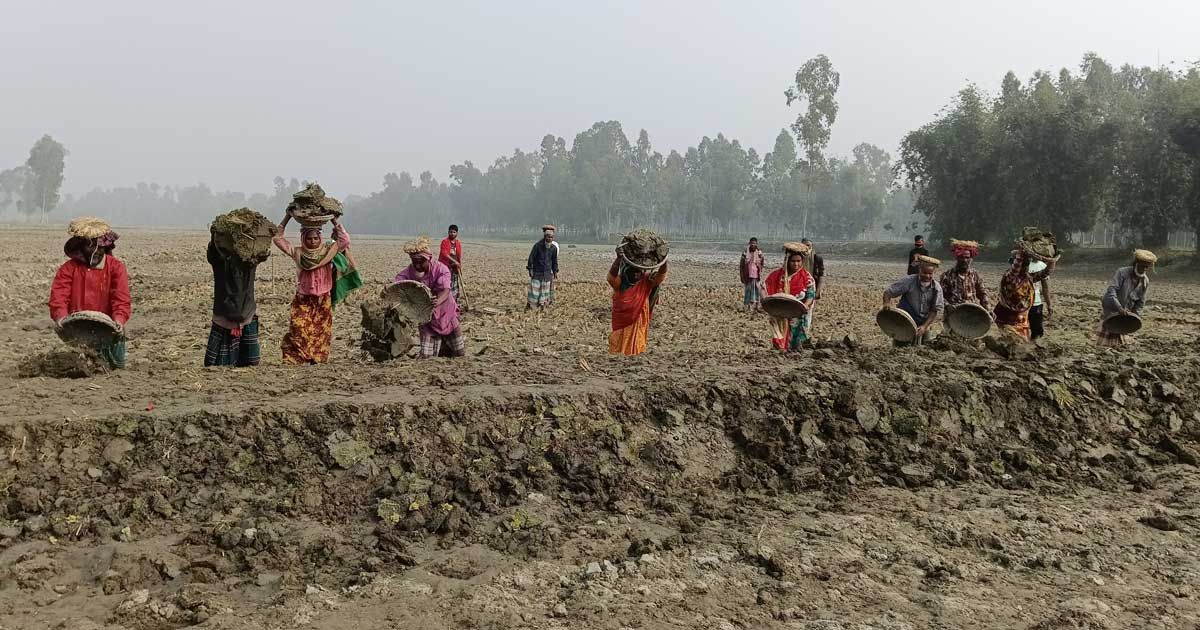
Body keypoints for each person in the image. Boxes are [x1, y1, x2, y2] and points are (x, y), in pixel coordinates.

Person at [48, 217, 131, 369]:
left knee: (115, 369)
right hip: (78, 328)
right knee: (78, 366)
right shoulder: (68, 269)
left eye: (100, 248)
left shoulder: (116, 268)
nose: (96, 252)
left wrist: (119, 320)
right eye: (91, 248)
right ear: (81, 248)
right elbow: (59, 297)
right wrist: (60, 316)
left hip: (109, 328)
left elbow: (121, 299)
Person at [273, 213, 355, 364]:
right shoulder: (297, 252)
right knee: (298, 328)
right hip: (303, 297)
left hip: (323, 298)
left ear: (320, 238)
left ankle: (316, 359)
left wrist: (334, 220)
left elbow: (345, 240)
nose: (312, 241)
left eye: (315, 238)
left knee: (321, 331)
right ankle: (298, 357)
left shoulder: (328, 251)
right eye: (309, 238)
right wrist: (287, 217)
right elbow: (277, 238)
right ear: (303, 239)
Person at [396, 236, 464, 358]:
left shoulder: (441, 269)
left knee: (459, 354)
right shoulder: (409, 271)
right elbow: (397, 284)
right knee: (426, 358)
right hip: (426, 319)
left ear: (429, 258)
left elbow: (445, 290)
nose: (417, 265)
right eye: (414, 262)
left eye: (420, 261)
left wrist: (437, 301)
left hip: (446, 314)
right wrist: (388, 289)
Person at [204, 233, 266, 367]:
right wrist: (216, 236)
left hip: (246, 312)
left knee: (250, 362)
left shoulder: (249, 261)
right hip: (224, 314)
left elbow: (262, 251)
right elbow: (213, 251)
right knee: (218, 364)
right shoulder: (220, 261)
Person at [608, 253, 668, 356]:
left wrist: (663, 260)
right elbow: (611, 277)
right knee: (617, 349)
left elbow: (660, 276)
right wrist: (618, 259)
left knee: (637, 348)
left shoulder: (646, 281)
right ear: (626, 271)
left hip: (638, 322)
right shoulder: (620, 283)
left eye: (639, 272)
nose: (636, 275)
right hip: (621, 324)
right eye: (633, 272)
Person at [992, 247, 1055, 340]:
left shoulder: (1027, 277)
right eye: (1024, 264)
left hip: (1020, 316)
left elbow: (1045, 273)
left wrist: (1052, 259)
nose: (1026, 267)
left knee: (1021, 340)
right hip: (1007, 315)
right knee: (1012, 340)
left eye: (1026, 264)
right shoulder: (1010, 277)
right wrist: (1022, 251)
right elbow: (1016, 268)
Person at [1097, 249, 1155, 347]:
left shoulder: (1145, 281)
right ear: (1136, 263)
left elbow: (1140, 301)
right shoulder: (1122, 272)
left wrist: (1135, 315)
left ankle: (1117, 346)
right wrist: (1119, 307)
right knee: (1109, 329)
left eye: (1147, 266)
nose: (1144, 269)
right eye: (1142, 265)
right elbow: (1112, 290)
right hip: (1111, 306)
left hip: (1126, 311)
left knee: (1121, 332)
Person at [765, 242, 817, 351]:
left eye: (798, 261)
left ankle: (795, 350)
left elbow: (811, 295)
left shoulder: (806, 277)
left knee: (797, 335)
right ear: (788, 261)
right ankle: (781, 349)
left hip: (799, 312)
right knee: (781, 332)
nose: (796, 264)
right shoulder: (777, 275)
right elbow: (765, 287)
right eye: (793, 261)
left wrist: (805, 306)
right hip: (781, 312)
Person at [883, 254, 944, 346]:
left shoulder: (937, 288)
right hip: (904, 321)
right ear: (919, 270)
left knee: (924, 349)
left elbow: (934, 311)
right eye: (924, 272)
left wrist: (924, 327)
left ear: (933, 273)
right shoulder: (909, 281)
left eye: (930, 274)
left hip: (923, 322)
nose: (927, 276)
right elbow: (888, 292)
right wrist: (886, 303)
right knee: (900, 349)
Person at [939, 239, 989, 309]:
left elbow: (982, 293)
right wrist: (948, 306)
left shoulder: (975, 275)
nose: (964, 260)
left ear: (971, 259)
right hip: (954, 312)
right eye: (962, 257)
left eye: (967, 257)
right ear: (957, 258)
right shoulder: (947, 275)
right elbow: (940, 296)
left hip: (972, 311)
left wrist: (987, 308)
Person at [527, 225, 559, 311]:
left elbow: (554, 261)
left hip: (547, 273)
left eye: (551, 237)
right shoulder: (537, 246)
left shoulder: (554, 248)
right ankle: (532, 307)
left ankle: (543, 306)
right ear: (545, 237)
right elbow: (531, 258)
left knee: (545, 292)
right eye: (548, 237)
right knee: (535, 291)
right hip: (537, 272)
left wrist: (555, 272)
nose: (550, 239)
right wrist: (530, 269)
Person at [800, 237, 825, 336]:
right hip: (798, 287)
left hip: (811, 286)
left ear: (811, 247)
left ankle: (805, 332)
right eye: (804, 245)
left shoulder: (817, 258)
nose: (806, 248)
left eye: (808, 245)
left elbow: (821, 275)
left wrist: (818, 290)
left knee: (808, 310)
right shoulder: (797, 258)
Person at [739, 237, 766, 313]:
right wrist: (742, 275)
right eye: (752, 243)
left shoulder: (759, 252)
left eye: (754, 244)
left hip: (756, 275)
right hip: (748, 275)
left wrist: (760, 270)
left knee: (757, 290)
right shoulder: (745, 252)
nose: (753, 245)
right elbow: (741, 264)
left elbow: (762, 262)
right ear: (749, 244)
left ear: (756, 244)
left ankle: (757, 306)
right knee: (748, 291)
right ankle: (746, 307)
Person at [1028, 257, 1051, 340]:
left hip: (1032, 303)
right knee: (1035, 331)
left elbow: (1045, 288)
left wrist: (1049, 304)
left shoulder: (1041, 266)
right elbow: (1045, 288)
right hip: (1026, 303)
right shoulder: (1022, 265)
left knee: (1036, 331)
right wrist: (1049, 305)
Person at [439, 224, 464, 302]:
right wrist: (454, 261)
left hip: (454, 268)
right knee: (446, 284)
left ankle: (453, 302)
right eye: (451, 232)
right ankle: (445, 300)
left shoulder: (457, 243)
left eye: (454, 232)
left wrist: (458, 264)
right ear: (448, 232)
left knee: (454, 285)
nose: (452, 234)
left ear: (457, 233)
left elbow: (458, 255)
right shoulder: (445, 242)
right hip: (446, 267)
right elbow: (444, 253)